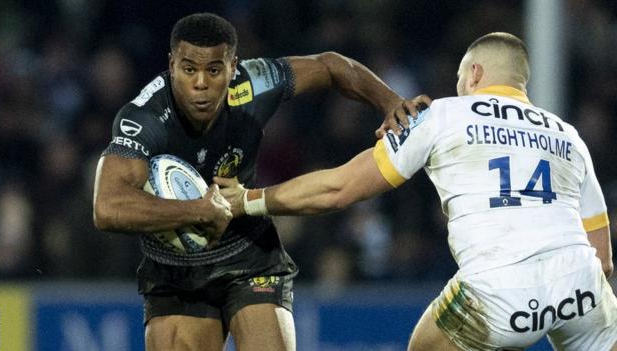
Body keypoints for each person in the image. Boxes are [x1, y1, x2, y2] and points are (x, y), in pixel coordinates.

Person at [216, 32, 617, 350]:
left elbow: (340, 189)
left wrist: (251, 199)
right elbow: (603, 259)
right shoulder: (569, 135)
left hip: (497, 289)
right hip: (580, 283)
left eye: (461, 79)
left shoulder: (444, 114)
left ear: (474, 73)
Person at [92, 12, 424, 351]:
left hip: (247, 253)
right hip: (174, 271)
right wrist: (197, 211)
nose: (201, 83)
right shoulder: (144, 117)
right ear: (171, 64)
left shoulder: (255, 83)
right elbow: (107, 207)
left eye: (214, 70)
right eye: (189, 69)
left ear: (233, 67)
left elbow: (329, 65)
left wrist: (389, 101)